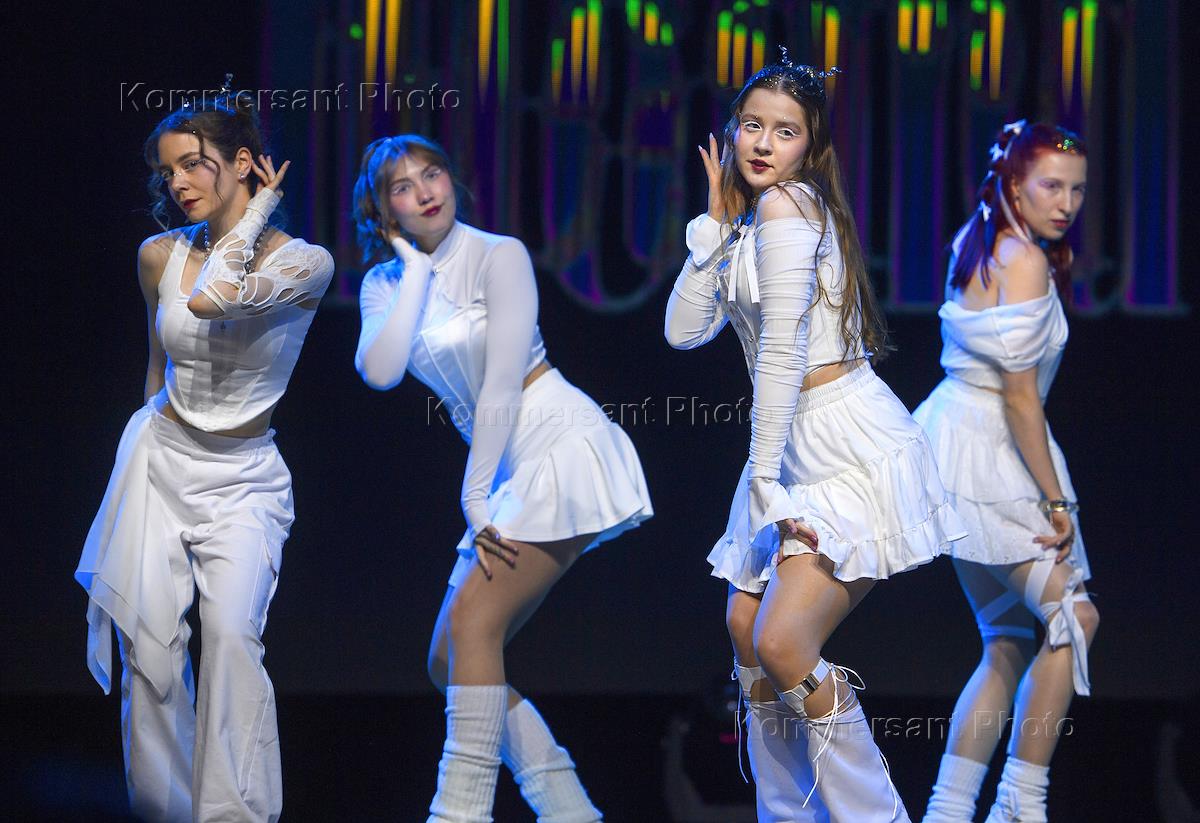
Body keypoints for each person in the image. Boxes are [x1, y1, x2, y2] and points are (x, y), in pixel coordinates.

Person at [665, 52, 966, 821]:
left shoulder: (790, 206)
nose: (764, 143)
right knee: (745, 627)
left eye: (785, 130)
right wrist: (712, 227)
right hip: (790, 444)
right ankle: (787, 813)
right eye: (752, 125)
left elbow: (783, 352)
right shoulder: (750, 219)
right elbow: (683, 330)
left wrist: (766, 478)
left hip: (840, 441)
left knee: (782, 641)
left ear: (811, 144)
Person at [353, 134, 653, 822]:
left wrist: (474, 491)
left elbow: (502, 383)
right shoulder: (386, 284)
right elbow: (380, 371)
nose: (426, 191)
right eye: (403, 186)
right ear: (385, 210)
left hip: (556, 439)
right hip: (503, 465)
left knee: (472, 624)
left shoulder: (500, 254)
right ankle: (570, 810)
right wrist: (416, 271)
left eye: (433, 173)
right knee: (447, 659)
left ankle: (458, 812)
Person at [75, 77, 334, 822]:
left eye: (193, 164)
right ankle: (161, 812)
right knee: (151, 653)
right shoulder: (157, 255)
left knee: (230, 638)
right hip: (160, 462)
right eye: (168, 171)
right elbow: (158, 366)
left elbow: (212, 300)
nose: (178, 183)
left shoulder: (304, 263)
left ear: (245, 163)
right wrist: (139, 453)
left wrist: (253, 214)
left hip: (244, 479)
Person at [915, 121, 1097, 823]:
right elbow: (1020, 398)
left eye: (1077, 189)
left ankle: (949, 810)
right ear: (1015, 184)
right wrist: (1057, 501)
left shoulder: (979, 238)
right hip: (992, 453)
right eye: (1052, 185)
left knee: (1007, 643)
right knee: (1073, 617)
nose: (1067, 203)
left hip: (954, 441)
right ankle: (1021, 802)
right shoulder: (1023, 259)